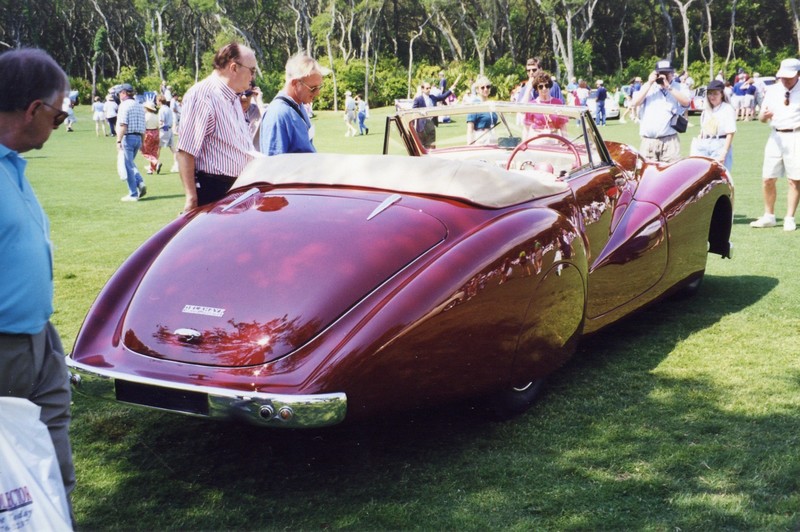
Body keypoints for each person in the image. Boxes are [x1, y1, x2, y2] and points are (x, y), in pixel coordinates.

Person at [0, 47, 77, 527]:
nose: (58, 123)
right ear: (33, 110)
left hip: (38, 341)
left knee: (52, 467)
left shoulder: (12, 166)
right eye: (59, 113)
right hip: (5, 351)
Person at [177, 42, 258, 211]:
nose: (253, 77)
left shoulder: (234, 97)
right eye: (252, 70)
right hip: (215, 191)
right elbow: (186, 151)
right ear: (234, 68)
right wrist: (191, 198)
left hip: (238, 189)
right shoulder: (203, 96)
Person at [751, 58, 800, 231]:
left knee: (794, 180)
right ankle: (769, 215)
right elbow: (762, 119)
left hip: (796, 135)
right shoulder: (772, 90)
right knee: (768, 178)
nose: (785, 80)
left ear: (798, 74)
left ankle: (789, 217)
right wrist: (765, 115)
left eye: (789, 77)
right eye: (782, 77)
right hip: (776, 136)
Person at [259, 52, 329, 156]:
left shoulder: (298, 105)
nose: (317, 93)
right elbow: (273, 164)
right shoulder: (278, 113)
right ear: (295, 83)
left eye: (319, 87)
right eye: (313, 88)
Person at [629, 58, 691, 164]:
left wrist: (668, 87)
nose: (664, 76)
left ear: (672, 73)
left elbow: (686, 102)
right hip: (648, 141)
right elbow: (635, 103)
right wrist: (649, 83)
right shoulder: (649, 86)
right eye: (661, 73)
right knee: (647, 174)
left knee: (671, 174)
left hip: (669, 141)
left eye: (667, 73)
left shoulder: (679, 87)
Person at [690, 80, 736, 175]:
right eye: (710, 94)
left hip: (720, 144)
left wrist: (724, 152)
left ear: (722, 94)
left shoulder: (727, 109)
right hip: (704, 144)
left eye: (715, 93)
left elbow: (730, 133)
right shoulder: (706, 110)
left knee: (718, 176)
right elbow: (703, 128)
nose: (712, 96)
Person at [115, 83, 147, 201]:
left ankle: (133, 193)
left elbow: (123, 125)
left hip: (128, 138)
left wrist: (118, 141)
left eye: (119, 93)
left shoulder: (124, 105)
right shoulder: (139, 105)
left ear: (124, 93)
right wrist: (142, 143)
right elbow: (144, 127)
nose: (119, 95)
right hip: (138, 138)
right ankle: (139, 182)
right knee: (130, 163)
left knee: (127, 165)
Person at [522, 70, 569, 137]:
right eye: (541, 87)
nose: (544, 88)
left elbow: (563, 127)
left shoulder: (558, 103)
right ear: (536, 89)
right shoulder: (532, 105)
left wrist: (565, 143)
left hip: (554, 139)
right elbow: (526, 129)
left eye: (546, 85)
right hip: (536, 140)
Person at [412, 80, 456, 149]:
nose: (429, 90)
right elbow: (413, 110)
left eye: (430, 88)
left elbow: (442, 97)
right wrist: (420, 112)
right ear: (422, 89)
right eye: (427, 88)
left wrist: (450, 90)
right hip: (421, 126)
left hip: (431, 124)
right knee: (422, 147)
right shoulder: (418, 99)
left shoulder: (432, 97)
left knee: (432, 146)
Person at [466, 75, 498, 145]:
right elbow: (470, 127)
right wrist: (470, 144)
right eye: (482, 87)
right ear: (477, 90)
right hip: (481, 139)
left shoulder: (491, 104)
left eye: (488, 87)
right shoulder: (475, 104)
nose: (486, 89)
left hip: (492, 138)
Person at [157, 94, 178, 172]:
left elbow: (161, 122)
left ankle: (154, 163)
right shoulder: (168, 109)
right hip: (169, 129)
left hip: (164, 130)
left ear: (159, 101)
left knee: (157, 147)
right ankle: (177, 164)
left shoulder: (161, 110)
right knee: (172, 148)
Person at [141, 100, 161, 175]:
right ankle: (151, 169)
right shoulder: (156, 116)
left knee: (145, 152)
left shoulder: (145, 116)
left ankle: (156, 162)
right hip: (156, 133)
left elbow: (143, 127)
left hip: (148, 133)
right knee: (153, 152)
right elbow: (159, 127)